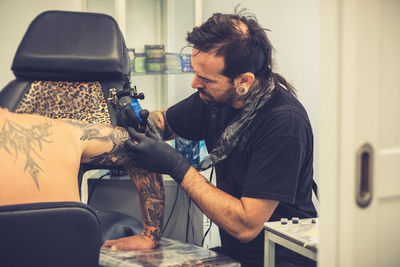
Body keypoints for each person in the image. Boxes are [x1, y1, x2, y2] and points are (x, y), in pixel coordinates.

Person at [115, 8, 317, 267]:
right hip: (237, 254)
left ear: (243, 80)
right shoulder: (215, 99)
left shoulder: (284, 123)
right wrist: (141, 120)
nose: (194, 84)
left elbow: (246, 226)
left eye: (205, 79)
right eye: (195, 72)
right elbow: (165, 121)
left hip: (281, 258)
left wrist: (175, 165)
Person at [0, 107, 164, 250]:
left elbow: (139, 148)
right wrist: (151, 234)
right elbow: (140, 147)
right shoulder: (61, 131)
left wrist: (150, 235)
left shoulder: (62, 131)